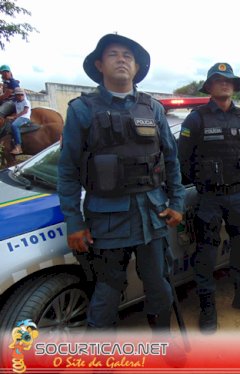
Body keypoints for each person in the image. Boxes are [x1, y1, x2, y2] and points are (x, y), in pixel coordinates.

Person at [57, 34, 185, 330]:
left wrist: (177, 202)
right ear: (100, 65)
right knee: (107, 292)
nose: (121, 59)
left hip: (153, 217)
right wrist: (74, 222)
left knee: (159, 286)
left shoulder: (152, 108)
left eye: (128, 55)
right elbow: (68, 171)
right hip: (107, 220)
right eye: (113, 54)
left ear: (137, 67)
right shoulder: (81, 109)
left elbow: (170, 159)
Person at [178, 63, 240, 334]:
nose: (224, 84)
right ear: (210, 87)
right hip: (209, 197)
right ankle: (208, 308)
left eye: (229, 80)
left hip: (238, 194)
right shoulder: (196, 118)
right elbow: (183, 161)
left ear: (234, 86)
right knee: (206, 253)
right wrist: (206, 182)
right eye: (218, 80)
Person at [9, 87, 32, 155]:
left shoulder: (26, 102)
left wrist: (15, 117)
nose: (21, 96)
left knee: (14, 125)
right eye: (19, 95)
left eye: (22, 94)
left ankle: (18, 147)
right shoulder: (16, 103)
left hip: (24, 118)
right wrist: (10, 117)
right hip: (19, 117)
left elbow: (25, 111)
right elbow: (18, 111)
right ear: (16, 96)